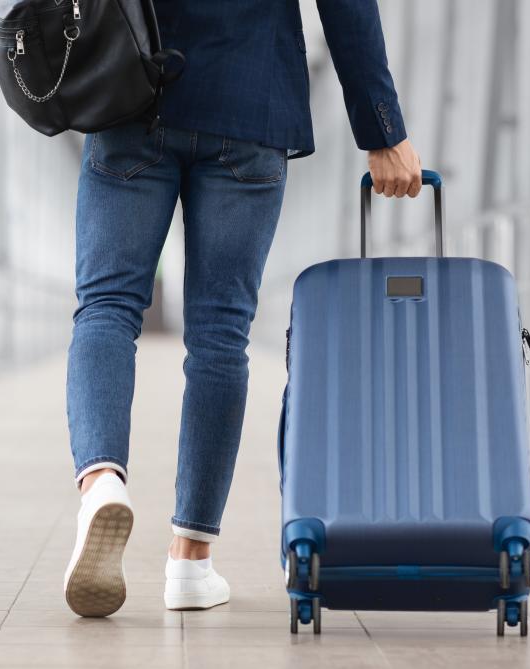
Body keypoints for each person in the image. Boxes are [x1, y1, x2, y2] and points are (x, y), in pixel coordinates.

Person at [63, 0, 422, 617]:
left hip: (133, 90)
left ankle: (101, 483)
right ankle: (190, 562)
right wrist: (382, 130)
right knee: (220, 336)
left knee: (107, 308)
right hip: (250, 100)